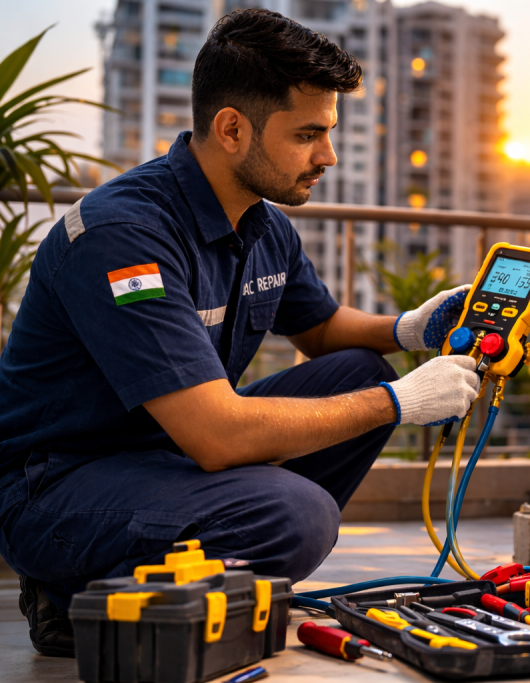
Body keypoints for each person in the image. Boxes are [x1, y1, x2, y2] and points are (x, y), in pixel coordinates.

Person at [0, 8, 481, 657]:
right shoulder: (126, 237)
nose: (328, 156)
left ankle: (204, 575)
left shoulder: (262, 222)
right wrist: (403, 404)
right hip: (57, 484)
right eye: (308, 134)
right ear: (231, 129)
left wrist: (412, 327)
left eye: (330, 133)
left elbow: (321, 330)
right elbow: (217, 434)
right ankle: (69, 589)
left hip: (166, 460)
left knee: (362, 369)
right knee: (295, 515)